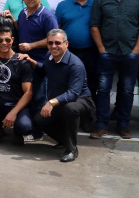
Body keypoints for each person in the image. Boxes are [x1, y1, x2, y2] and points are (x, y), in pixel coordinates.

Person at [89, 0, 139, 140]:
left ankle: (123, 125)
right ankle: (102, 125)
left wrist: (137, 49)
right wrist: (101, 48)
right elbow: (94, 26)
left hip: (129, 52)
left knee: (128, 90)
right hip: (107, 51)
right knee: (103, 89)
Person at [19, 29, 94, 162]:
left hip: (81, 101)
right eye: (50, 43)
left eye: (58, 43)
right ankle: (65, 141)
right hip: (60, 101)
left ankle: (72, 150)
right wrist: (30, 60)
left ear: (66, 44)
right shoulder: (50, 56)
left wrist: (51, 102)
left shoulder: (75, 65)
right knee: (39, 119)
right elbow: (44, 69)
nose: (54, 46)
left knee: (69, 109)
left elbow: (73, 93)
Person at [55, 0, 97, 94]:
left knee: (91, 83)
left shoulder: (96, 5)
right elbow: (58, 29)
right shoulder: (63, 5)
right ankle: (70, 110)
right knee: (68, 81)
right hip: (69, 51)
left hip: (91, 51)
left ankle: (90, 110)